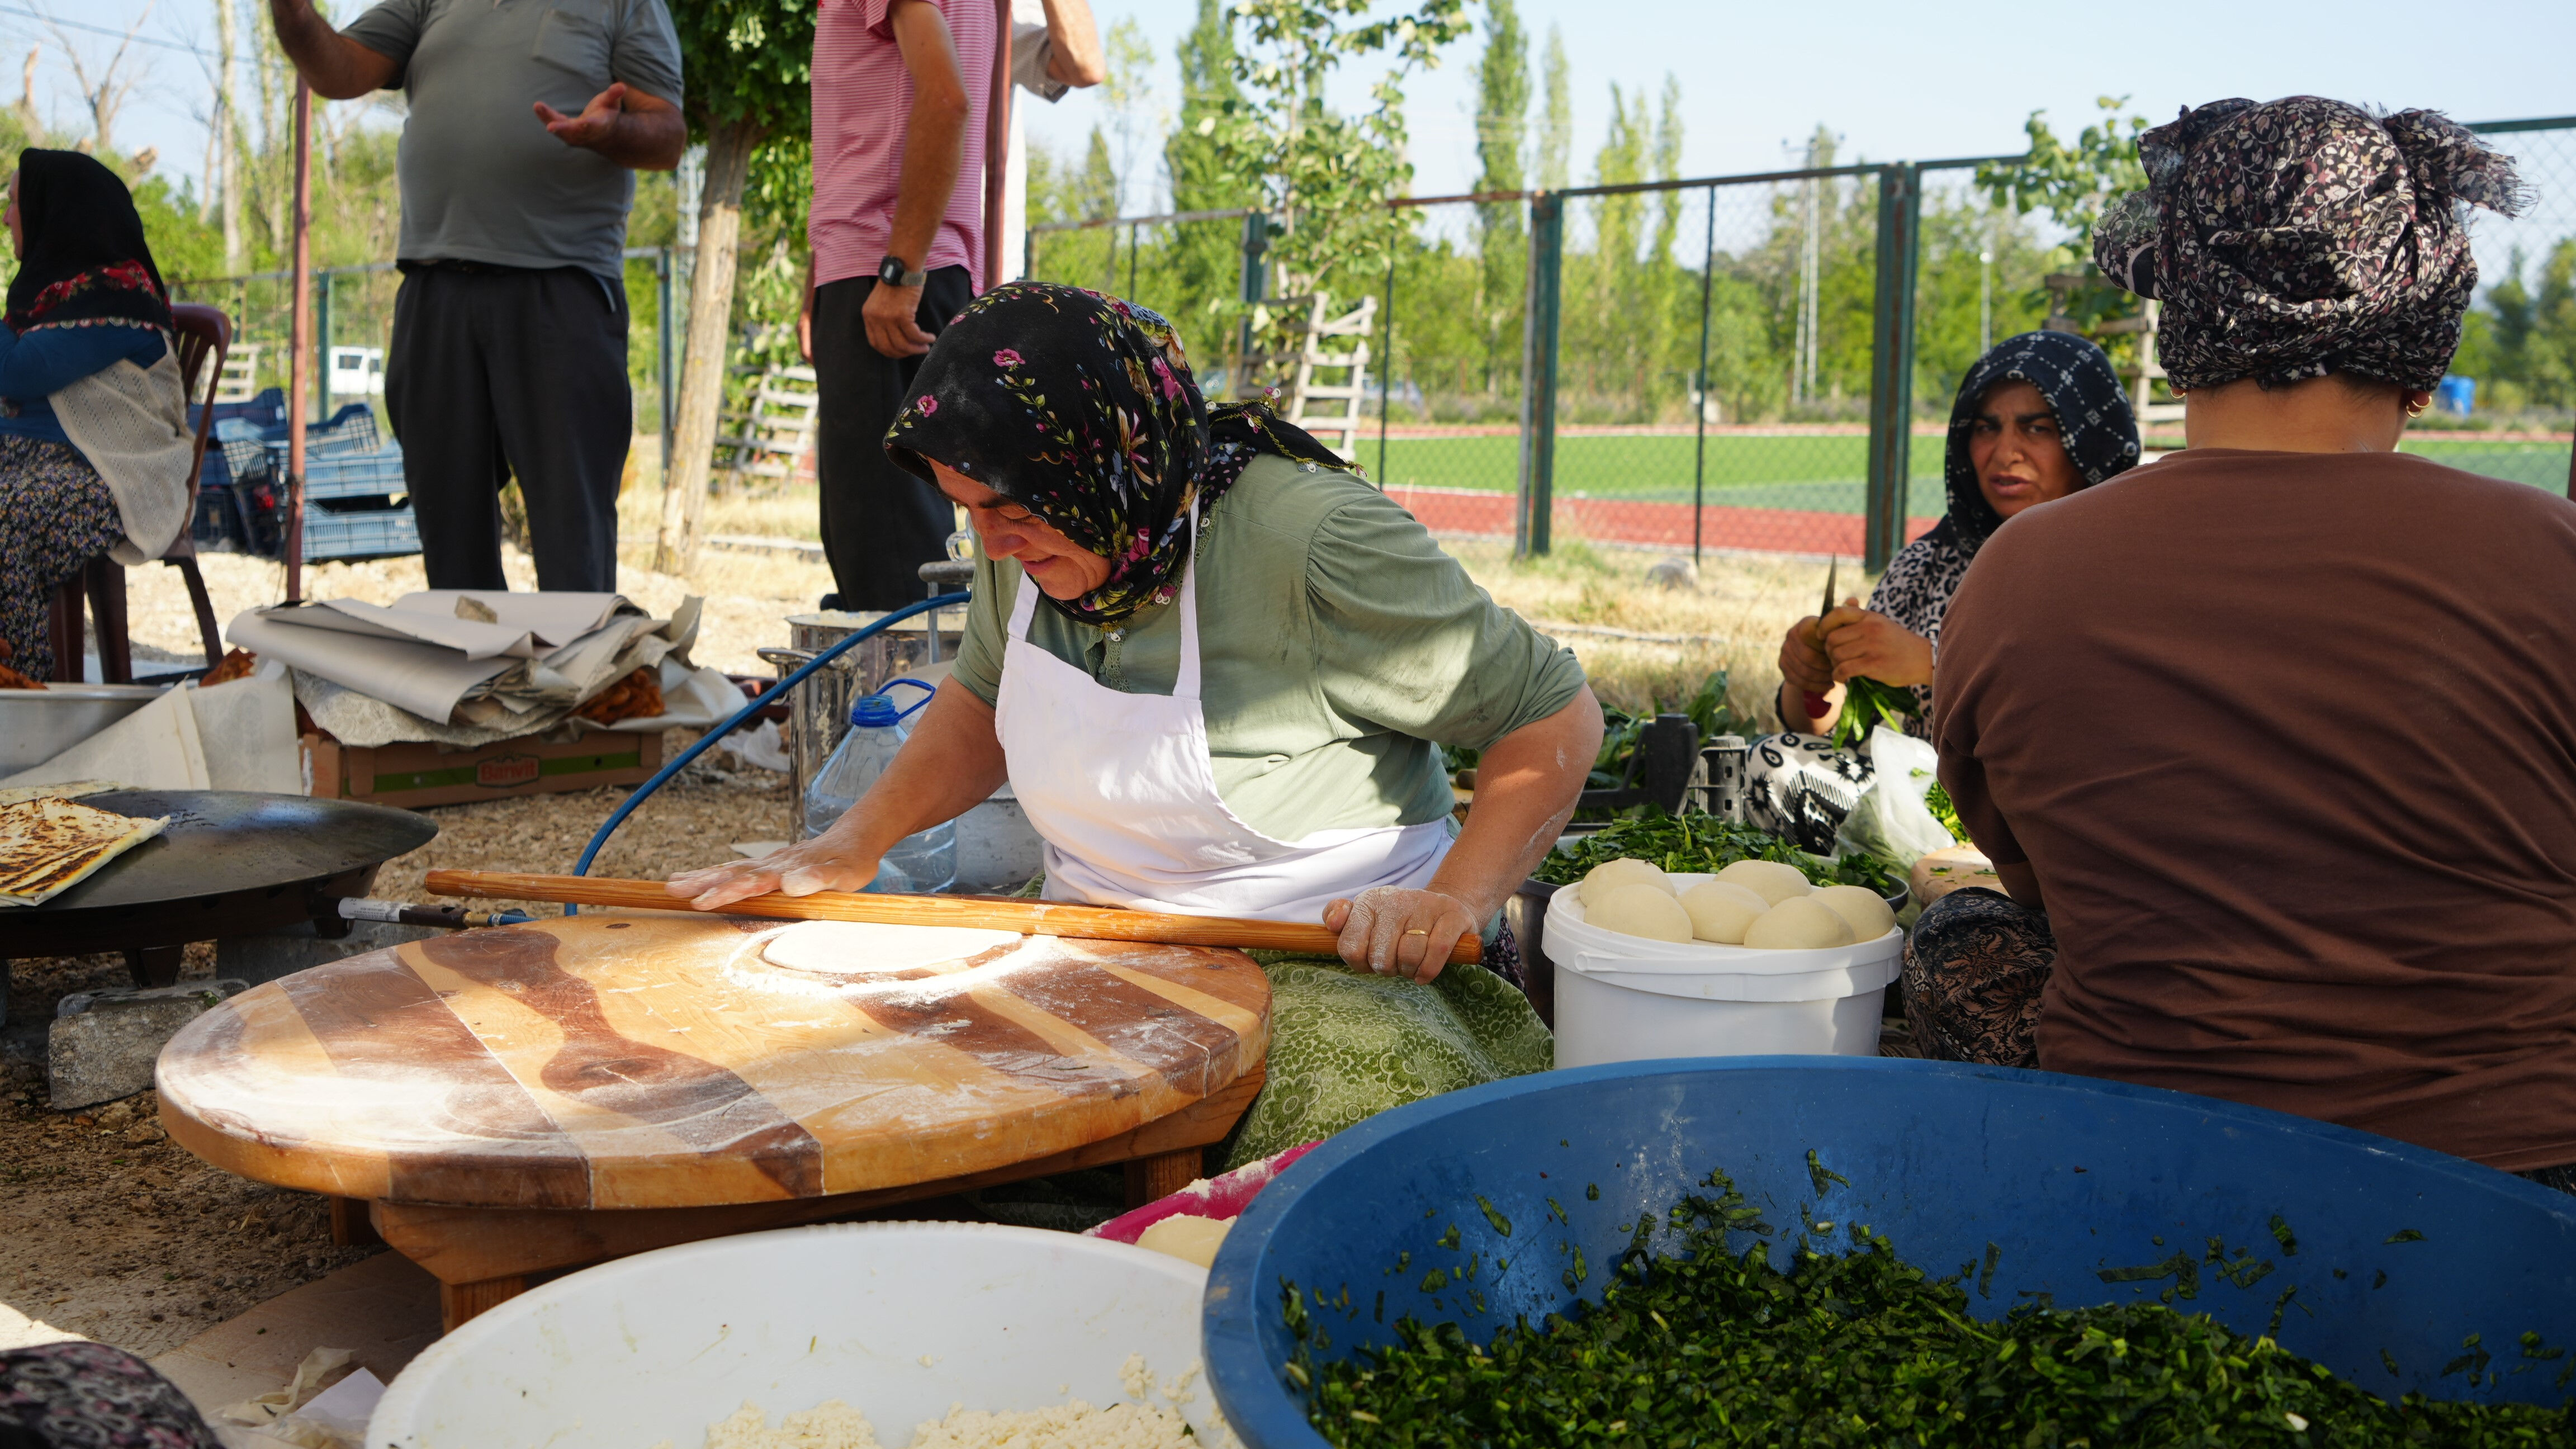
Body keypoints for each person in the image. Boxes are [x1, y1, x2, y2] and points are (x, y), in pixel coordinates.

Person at [675, 283, 1599, 1163]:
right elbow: (981, 703)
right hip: (1096, 937)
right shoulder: (1033, 530)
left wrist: (1454, 901)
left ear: (1107, 462)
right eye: (966, 510)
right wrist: (854, 841)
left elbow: (1550, 713)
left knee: (1350, 1159)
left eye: (1007, 508)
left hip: (1325, 953)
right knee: (909, 1099)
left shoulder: (1307, 542)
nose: (988, 543)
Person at [1920, 97, 2576, 1192]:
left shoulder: (2019, 574)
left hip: (2147, 1157)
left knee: (1958, 935)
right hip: (2521, 1191)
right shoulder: (2553, 554)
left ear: (2181, 337)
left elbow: (2036, 891)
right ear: (2423, 346)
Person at [267, 0, 684, 593]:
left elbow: (668, 135)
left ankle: (584, 685)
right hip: (435, 287)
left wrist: (611, 132)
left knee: (573, 541)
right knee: (450, 532)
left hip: (558, 289)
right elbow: (339, 72)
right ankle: (472, 683)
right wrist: (291, 11)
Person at [1751, 332, 2138, 852]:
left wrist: (1934, 666)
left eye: (2037, 428)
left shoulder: (2123, 564)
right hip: (1909, 804)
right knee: (1762, 763)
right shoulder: (1929, 563)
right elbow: (1833, 730)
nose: (2004, 453)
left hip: (2048, 826)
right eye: (1986, 428)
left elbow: (2100, 717)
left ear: (2087, 439)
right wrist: (1818, 678)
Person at [805, 0, 1102, 613]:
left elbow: (950, 99)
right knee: (891, 536)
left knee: (887, 553)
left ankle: (910, 699)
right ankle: (926, 690)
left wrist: (899, 269)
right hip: (901, 267)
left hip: (890, 268)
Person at [0, 150, 192, 682]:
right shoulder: (46, 295)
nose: (6, 216)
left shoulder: (114, 294)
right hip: (34, 460)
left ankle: (22, 684)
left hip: (117, 471)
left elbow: (14, 373)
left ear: (54, 211)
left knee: (8, 515)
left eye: (14, 202)